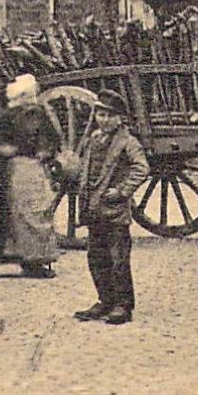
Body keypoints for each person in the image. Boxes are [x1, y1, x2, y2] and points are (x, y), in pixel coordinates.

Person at [0, 75, 61, 278]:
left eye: (31, 95)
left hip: (32, 169)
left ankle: (33, 262)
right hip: (7, 171)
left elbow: (53, 138)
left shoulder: (41, 114)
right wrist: (1, 147)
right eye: (25, 96)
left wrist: (46, 151)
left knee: (33, 213)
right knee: (1, 215)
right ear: (18, 97)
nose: (29, 99)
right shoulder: (9, 115)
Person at [75, 90, 149, 326]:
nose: (104, 119)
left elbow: (141, 168)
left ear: (120, 118)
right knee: (96, 257)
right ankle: (105, 300)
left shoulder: (128, 142)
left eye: (109, 115)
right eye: (100, 114)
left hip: (115, 212)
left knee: (118, 259)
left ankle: (123, 305)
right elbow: (85, 170)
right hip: (95, 209)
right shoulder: (93, 140)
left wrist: (122, 191)